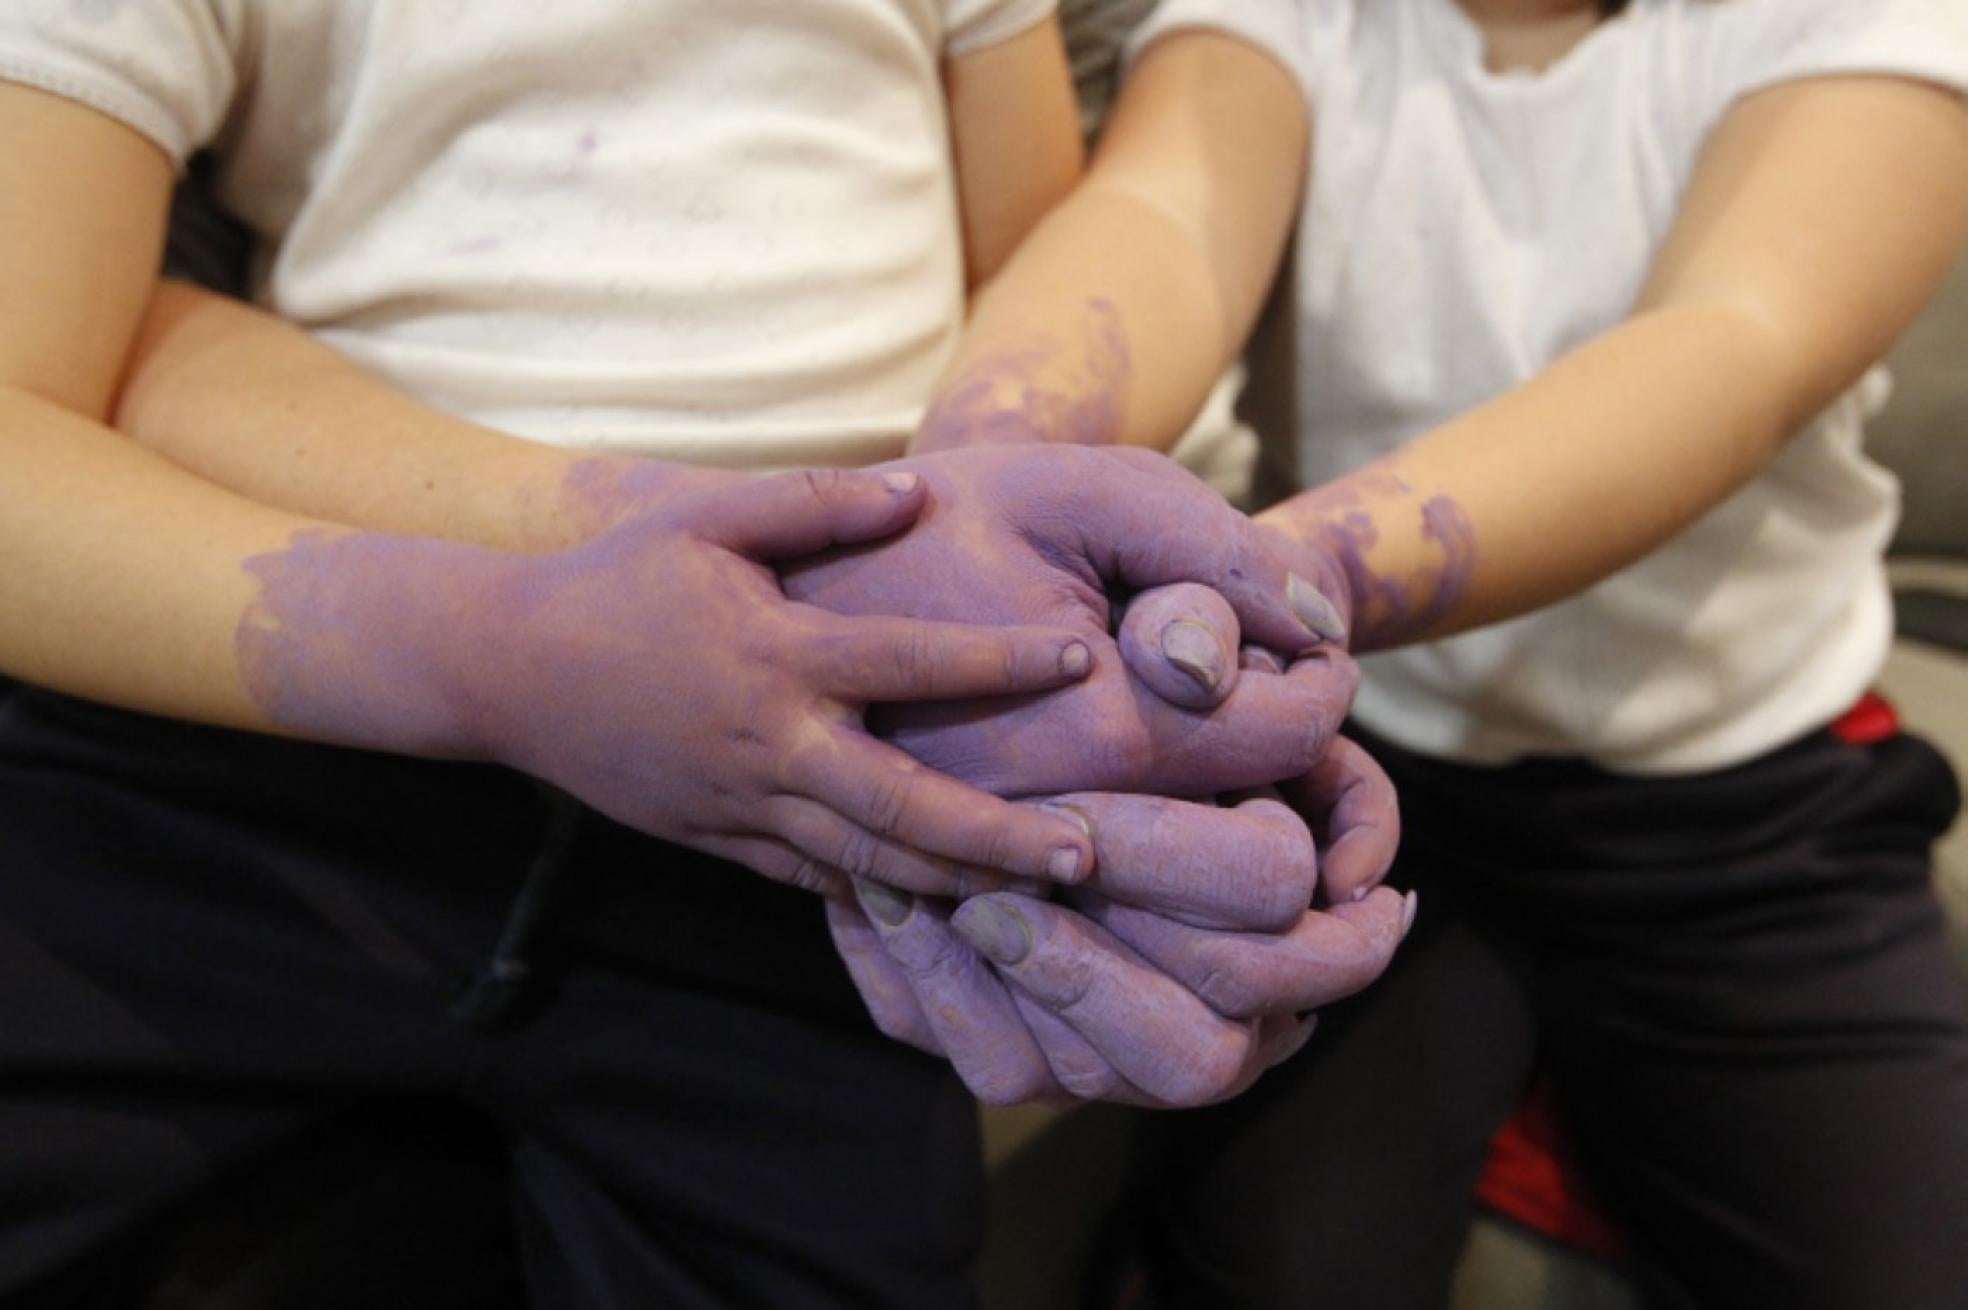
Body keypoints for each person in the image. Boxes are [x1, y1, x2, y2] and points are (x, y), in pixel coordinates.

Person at [0, 2, 1403, 1304]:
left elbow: (1039, 264)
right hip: (297, 724)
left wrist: (1037, 600)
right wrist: (504, 647)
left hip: (837, 783)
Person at [1042, 1, 1968, 1307]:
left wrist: (1278, 577)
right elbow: (1162, 216)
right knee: (1272, 1269)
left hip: (1746, 816)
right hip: (1365, 779)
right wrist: (984, 483)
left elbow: (1733, 342)